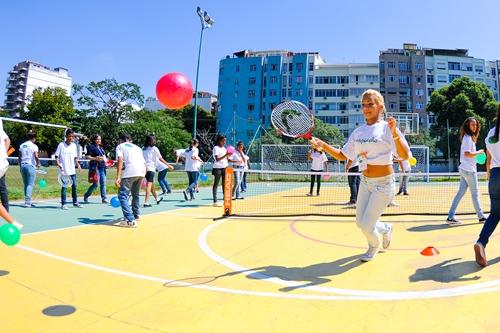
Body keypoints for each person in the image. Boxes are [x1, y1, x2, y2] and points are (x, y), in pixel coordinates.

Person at [310, 89, 410, 262]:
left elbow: (405, 155)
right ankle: (385, 228)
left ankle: (373, 246)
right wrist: (323, 145)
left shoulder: (388, 128)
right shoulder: (358, 132)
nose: (366, 108)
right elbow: (343, 155)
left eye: (370, 104)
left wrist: (394, 133)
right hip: (365, 182)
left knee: (366, 225)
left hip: (384, 184)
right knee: (360, 223)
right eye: (363, 105)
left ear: (380, 106)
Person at [446, 117, 487, 225]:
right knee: (475, 194)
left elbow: (469, 156)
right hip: (469, 170)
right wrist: (479, 152)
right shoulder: (468, 138)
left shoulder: (467, 137)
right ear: (467, 126)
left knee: (460, 193)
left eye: (476, 125)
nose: (475, 126)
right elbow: (467, 154)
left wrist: (477, 157)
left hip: (464, 169)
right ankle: (481, 217)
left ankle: (450, 217)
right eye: (472, 124)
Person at [475, 105, 500, 267]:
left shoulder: (491, 133)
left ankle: (481, 242)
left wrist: (490, 175)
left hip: (495, 176)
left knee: (495, 214)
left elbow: (489, 159)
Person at [115, 133, 146, 227]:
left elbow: (120, 160)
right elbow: (144, 163)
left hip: (131, 171)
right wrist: (143, 176)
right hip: (141, 171)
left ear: (121, 140)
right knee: (135, 194)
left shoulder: (120, 146)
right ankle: (136, 214)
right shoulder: (138, 147)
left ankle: (130, 220)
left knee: (122, 195)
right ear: (129, 139)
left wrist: (118, 177)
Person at [55, 129, 82, 210]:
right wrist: (58, 163)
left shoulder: (74, 146)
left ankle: (75, 202)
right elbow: (56, 156)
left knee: (74, 186)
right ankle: (63, 203)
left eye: (72, 136)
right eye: (69, 136)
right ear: (66, 136)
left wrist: (78, 165)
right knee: (65, 187)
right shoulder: (61, 145)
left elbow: (75, 157)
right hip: (64, 171)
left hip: (72, 170)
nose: (71, 138)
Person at [83, 134, 108, 204]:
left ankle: (104, 198)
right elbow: (87, 156)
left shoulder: (101, 148)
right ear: (94, 140)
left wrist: (107, 161)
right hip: (95, 167)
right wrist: (95, 158)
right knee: (96, 184)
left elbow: (104, 157)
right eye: (97, 139)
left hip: (102, 167)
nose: (99, 140)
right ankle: (86, 195)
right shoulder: (91, 147)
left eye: (100, 139)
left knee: (103, 183)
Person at [18, 131, 40, 208]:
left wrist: (20, 166)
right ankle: (28, 202)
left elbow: (19, 157)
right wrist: (38, 163)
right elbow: (36, 156)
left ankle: (27, 201)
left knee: (26, 184)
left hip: (23, 166)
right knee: (30, 184)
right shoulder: (34, 146)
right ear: (34, 138)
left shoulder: (22, 145)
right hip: (30, 166)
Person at [142, 135, 164, 207]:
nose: (155, 141)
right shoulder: (154, 148)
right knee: (148, 186)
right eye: (154, 140)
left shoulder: (143, 148)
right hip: (150, 169)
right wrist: (168, 165)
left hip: (144, 169)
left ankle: (157, 199)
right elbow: (160, 158)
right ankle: (146, 202)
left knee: (151, 186)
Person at [212, 134, 230, 207]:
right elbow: (217, 159)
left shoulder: (224, 149)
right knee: (216, 184)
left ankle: (225, 199)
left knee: (225, 184)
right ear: (219, 141)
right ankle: (215, 201)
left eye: (225, 140)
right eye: (223, 140)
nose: (224, 142)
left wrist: (229, 156)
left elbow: (226, 159)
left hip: (225, 167)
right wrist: (226, 155)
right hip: (217, 168)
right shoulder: (216, 148)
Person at [0, 127, 10, 211]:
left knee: (1, 186)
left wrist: (4, 154)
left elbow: (7, 140)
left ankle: (6, 209)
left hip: (1, 164)